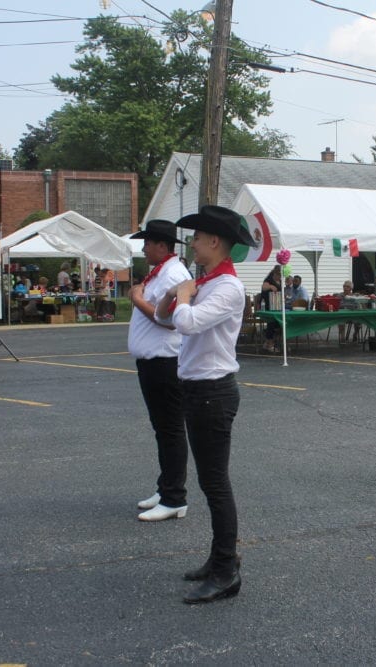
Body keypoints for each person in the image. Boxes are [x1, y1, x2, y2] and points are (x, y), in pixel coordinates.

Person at [156, 205, 257, 605]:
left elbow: (188, 323)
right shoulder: (206, 282)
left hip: (213, 392)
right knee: (210, 482)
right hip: (199, 389)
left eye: (197, 238)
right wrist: (174, 295)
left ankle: (226, 569)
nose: (192, 245)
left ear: (214, 241)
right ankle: (219, 558)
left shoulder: (228, 287)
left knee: (215, 484)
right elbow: (166, 317)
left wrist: (183, 297)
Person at [127, 219, 192, 522]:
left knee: (170, 429)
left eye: (148, 243)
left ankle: (174, 497)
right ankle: (166, 487)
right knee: (163, 429)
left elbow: (169, 321)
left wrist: (137, 299)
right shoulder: (161, 272)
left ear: (162, 246)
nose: (144, 248)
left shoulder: (174, 275)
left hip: (165, 362)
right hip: (153, 362)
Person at [260, 265, 282, 352]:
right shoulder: (268, 280)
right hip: (268, 306)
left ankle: (268, 342)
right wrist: (270, 287)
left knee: (278, 322)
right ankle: (270, 344)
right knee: (272, 322)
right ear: (275, 273)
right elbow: (263, 287)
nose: (280, 277)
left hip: (277, 306)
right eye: (279, 275)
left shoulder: (280, 281)